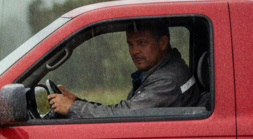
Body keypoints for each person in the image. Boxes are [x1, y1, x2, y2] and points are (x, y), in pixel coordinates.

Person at [47, 20, 203, 117]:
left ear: (162, 43)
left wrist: (74, 108)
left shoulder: (167, 81)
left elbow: (124, 115)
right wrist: (77, 103)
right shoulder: (166, 69)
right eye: (131, 44)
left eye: (142, 43)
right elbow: (125, 110)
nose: (134, 51)